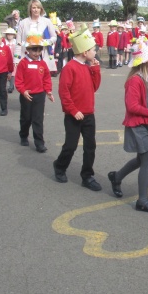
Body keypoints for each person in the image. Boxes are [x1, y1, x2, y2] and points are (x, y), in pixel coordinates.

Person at [107, 36, 148, 213]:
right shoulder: (135, 80)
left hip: (146, 122)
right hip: (137, 124)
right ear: (145, 59)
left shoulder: (146, 76)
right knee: (147, 160)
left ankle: (117, 177)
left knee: (142, 159)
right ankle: (142, 200)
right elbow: (132, 106)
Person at [53, 24, 102, 190]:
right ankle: (60, 166)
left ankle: (87, 176)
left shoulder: (87, 67)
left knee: (90, 147)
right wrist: (73, 110)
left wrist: (95, 69)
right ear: (84, 52)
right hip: (73, 115)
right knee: (71, 145)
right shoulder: (69, 68)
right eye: (93, 50)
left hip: (88, 114)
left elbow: (94, 87)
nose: (95, 52)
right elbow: (64, 92)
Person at [15, 33, 54, 152]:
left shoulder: (42, 63)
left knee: (38, 119)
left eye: (39, 50)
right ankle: (23, 135)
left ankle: (39, 143)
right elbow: (18, 80)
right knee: (26, 118)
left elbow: (46, 78)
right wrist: (23, 91)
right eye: (34, 50)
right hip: (26, 95)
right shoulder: (23, 63)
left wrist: (48, 91)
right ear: (28, 50)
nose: (37, 53)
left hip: (39, 95)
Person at [14, 0, 57, 73]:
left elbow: (54, 37)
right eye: (34, 8)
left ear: (41, 9)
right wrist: (16, 59)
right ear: (30, 9)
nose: (36, 10)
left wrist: (46, 42)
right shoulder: (23, 23)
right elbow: (18, 43)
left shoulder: (47, 22)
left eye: (38, 7)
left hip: (43, 55)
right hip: (26, 55)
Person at [3, 28, 17, 93]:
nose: (9, 36)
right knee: (5, 73)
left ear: (13, 35)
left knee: (13, 73)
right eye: (8, 34)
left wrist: (16, 60)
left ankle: (11, 86)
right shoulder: (4, 42)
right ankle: (3, 86)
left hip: (13, 59)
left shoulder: (15, 42)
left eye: (11, 34)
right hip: (5, 59)